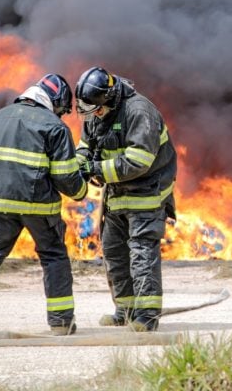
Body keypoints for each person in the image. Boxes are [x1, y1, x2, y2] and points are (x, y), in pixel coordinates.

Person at [0, 74, 88, 335]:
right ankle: (61, 322)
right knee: (53, 256)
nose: (60, 114)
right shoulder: (54, 127)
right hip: (37, 206)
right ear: (55, 100)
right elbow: (66, 177)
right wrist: (81, 190)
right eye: (62, 109)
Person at [74, 66, 177, 332]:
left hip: (146, 195)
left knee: (142, 254)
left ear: (107, 99)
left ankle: (146, 316)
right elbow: (86, 148)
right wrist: (76, 169)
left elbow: (139, 160)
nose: (93, 115)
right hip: (116, 195)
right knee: (114, 253)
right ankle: (126, 310)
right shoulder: (96, 111)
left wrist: (96, 170)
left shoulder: (139, 111)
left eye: (96, 110)